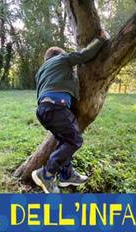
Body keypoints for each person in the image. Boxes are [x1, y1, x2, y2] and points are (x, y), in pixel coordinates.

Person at [31, 30, 110, 193]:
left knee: (64, 141)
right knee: (74, 140)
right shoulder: (62, 59)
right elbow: (84, 55)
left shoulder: (41, 71)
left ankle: (67, 175)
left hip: (43, 111)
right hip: (56, 107)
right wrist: (100, 40)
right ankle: (47, 174)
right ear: (60, 55)